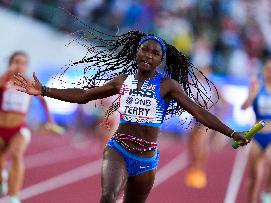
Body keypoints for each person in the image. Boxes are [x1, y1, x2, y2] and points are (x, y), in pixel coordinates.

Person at [13, 31, 250, 203]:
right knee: (107, 197)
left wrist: (232, 132)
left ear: (160, 60)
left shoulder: (167, 85)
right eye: (144, 49)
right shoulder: (122, 81)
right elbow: (85, 95)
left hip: (147, 159)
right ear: (137, 52)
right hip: (119, 149)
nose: (148, 55)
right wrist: (44, 90)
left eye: (155, 53)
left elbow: (198, 112)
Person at [0, 51, 56, 203]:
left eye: (23, 63)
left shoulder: (29, 83)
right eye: (17, 61)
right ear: (11, 62)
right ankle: (2, 178)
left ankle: (14, 196)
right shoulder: (3, 79)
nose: (20, 65)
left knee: (17, 154)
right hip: (1, 128)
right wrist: (7, 75)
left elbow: (43, 101)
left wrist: (50, 121)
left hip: (19, 128)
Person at [241, 58, 271, 203]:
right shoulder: (257, 87)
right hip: (257, 134)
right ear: (264, 71)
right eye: (268, 69)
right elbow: (244, 107)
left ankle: (267, 191)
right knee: (254, 179)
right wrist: (252, 95)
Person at [185, 65, 231, 189]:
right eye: (201, 70)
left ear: (209, 72)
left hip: (207, 117)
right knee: (192, 144)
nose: (203, 72)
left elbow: (225, 103)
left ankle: (199, 170)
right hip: (195, 117)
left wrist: (220, 119)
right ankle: (194, 167)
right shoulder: (192, 83)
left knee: (201, 143)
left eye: (205, 70)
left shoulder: (212, 85)